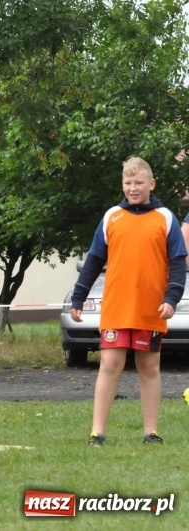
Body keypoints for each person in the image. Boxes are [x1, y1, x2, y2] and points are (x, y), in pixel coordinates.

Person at [70, 157, 186, 446]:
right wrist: (78, 298)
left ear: (151, 184)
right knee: (109, 364)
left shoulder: (165, 218)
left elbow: (178, 262)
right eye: (127, 183)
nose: (133, 188)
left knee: (149, 367)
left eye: (138, 183)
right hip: (116, 309)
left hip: (151, 309)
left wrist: (172, 298)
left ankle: (151, 432)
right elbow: (94, 261)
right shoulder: (112, 217)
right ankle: (97, 433)